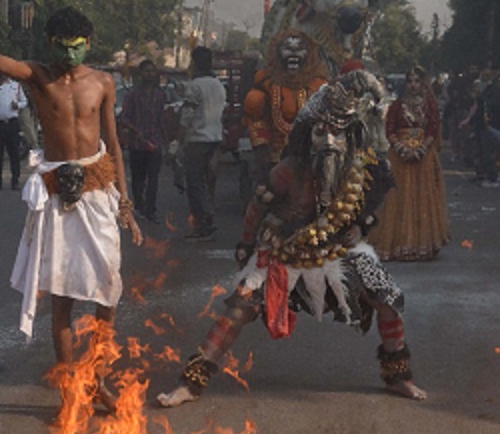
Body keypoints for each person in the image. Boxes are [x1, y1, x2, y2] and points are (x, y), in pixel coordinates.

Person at [156, 70, 427, 408]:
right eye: (320, 131)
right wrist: (246, 244)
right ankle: (190, 384)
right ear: (308, 132)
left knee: (388, 299)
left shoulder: (363, 167)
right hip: (284, 249)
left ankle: (399, 376)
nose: (328, 139)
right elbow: (257, 206)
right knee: (239, 309)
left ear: (350, 133)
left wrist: (363, 224)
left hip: (341, 248)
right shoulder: (289, 169)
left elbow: (375, 200)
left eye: (337, 131)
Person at [0, 0, 143, 379]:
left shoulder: (103, 82)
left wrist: (126, 203)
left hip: (98, 192)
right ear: (50, 44)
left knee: (109, 290)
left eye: (77, 47)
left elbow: (114, 144)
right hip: (57, 195)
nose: (70, 55)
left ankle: (99, 377)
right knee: (63, 296)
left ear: (89, 44)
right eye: (62, 47)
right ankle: (70, 386)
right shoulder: (38, 76)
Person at [369, 66, 450, 261]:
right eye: (410, 81)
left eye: (417, 81)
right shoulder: (397, 105)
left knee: (422, 198)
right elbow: (389, 129)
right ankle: (398, 243)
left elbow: (433, 129)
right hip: (400, 157)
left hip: (424, 156)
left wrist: (422, 149)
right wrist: (400, 148)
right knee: (399, 198)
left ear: (423, 84)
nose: (413, 85)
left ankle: (421, 244)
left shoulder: (430, 105)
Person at [243, 29, 327, 188]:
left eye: (299, 49)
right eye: (287, 49)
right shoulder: (266, 81)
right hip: (273, 155)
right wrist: (261, 149)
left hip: (309, 155)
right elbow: (255, 118)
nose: (293, 54)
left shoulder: (318, 84)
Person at [177, 46, 226, 241]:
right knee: (207, 181)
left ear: (195, 63)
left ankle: (202, 223)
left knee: (195, 183)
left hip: (197, 139)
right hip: (215, 138)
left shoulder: (194, 86)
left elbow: (186, 116)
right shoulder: (218, 86)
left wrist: (177, 140)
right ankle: (208, 217)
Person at [118, 60, 169, 224]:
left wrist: (167, 143)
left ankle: (151, 210)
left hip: (156, 143)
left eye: (152, 71)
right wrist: (136, 132)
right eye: (147, 71)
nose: (150, 75)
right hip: (137, 145)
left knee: (153, 179)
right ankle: (139, 208)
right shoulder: (133, 95)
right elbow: (124, 118)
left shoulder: (160, 95)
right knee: (138, 178)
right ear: (141, 74)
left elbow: (162, 119)